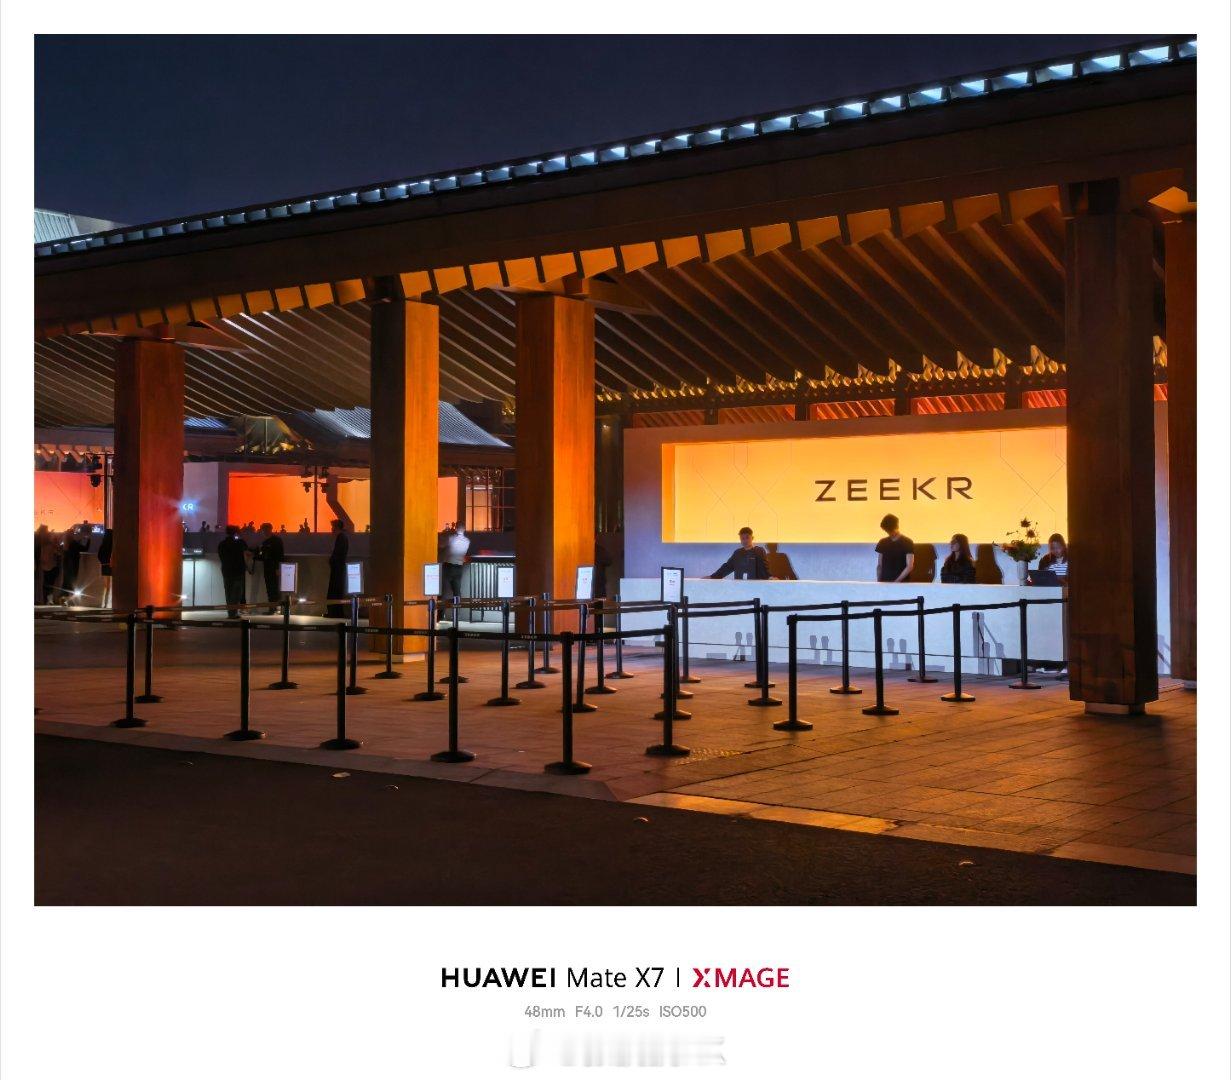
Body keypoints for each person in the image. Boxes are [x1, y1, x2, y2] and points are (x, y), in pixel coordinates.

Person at [217, 524, 250, 617]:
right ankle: (233, 613)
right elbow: (247, 553)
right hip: (238, 571)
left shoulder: (222, 544)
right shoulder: (240, 543)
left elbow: (221, 557)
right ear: (236, 532)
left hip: (226, 571)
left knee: (228, 592)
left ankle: (231, 613)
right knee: (237, 593)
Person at [875, 514, 915, 583]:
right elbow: (879, 565)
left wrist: (896, 582)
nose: (889, 532)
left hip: (902, 584)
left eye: (890, 530)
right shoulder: (882, 542)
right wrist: (879, 582)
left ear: (897, 527)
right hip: (885, 582)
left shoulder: (908, 542)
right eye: (887, 530)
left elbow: (909, 566)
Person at [441, 522, 470, 603]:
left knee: (444, 590)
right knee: (457, 591)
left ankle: (441, 610)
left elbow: (441, 545)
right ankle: (457, 609)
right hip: (459, 567)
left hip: (448, 566)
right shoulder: (467, 541)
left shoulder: (451, 538)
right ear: (464, 529)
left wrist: (447, 533)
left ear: (456, 529)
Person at [60, 521, 90, 600]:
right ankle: (69, 599)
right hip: (73, 565)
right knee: (72, 582)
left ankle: (63, 598)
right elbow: (84, 549)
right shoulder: (73, 543)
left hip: (67, 566)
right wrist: (88, 540)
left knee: (66, 581)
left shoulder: (65, 545)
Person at [255, 522, 284, 603]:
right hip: (269, 568)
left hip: (272, 568)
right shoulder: (270, 541)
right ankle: (273, 606)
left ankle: (273, 606)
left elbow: (279, 555)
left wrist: (278, 568)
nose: (262, 532)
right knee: (271, 588)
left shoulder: (273, 541)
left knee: (273, 588)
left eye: (263, 530)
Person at [326, 519, 350, 616]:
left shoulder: (341, 538)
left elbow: (337, 554)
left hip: (337, 570)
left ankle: (334, 612)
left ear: (336, 527)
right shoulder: (343, 537)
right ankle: (335, 612)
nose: (331, 529)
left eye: (332, 527)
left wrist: (331, 561)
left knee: (334, 590)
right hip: (339, 569)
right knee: (337, 590)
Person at [35, 525, 60, 604]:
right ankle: (47, 600)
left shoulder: (40, 542)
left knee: (44, 584)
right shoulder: (48, 544)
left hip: (44, 566)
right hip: (49, 566)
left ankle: (44, 600)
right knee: (48, 584)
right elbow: (57, 552)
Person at [97, 528, 114, 608]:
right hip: (110, 566)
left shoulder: (102, 545)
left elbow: (99, 556)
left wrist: (103, 562)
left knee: (106, 586)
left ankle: (104, 604)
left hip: (104, 566)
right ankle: (108, 604)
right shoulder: (112, 545)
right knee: (110, 586)